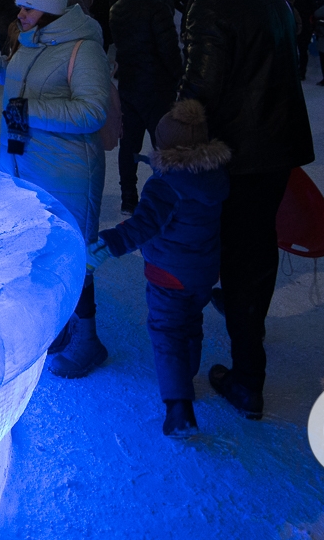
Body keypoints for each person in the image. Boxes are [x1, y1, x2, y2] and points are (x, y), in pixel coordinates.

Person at [160, 0, 314, 419]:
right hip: (276, 145)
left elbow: (199, 86)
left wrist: (176, 139)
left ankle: (248, 376)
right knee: (256, 248)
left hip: (237, 151)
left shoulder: (210, 4)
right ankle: (249, 330)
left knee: (234, 252)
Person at [0, 0, 114, 378]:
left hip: (66, 171)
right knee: (39, 248)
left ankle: (88, 340)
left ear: (49, 9)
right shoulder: (33, 39)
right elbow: (21, 74)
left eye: (28, 8)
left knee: (73, 255)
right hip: (23, 161)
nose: (20, 13)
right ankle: (58, 325)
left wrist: (28, 113)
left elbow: (93, 110)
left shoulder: (82, 48)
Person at [96, 99, 230, 437]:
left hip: (168, 273)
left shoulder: (165, 185)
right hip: (203, 272)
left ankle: (178, 407)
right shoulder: (215, 178)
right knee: (191, 321)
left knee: (167, 330)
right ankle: (189, 374)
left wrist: (110, 242)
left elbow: (143, 225)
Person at [108, 0, 183, 214]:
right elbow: (169, 50)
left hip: (129, 84)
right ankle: (168, 194)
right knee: (164, 144)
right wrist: (178, 76)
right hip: (157, 87)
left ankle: (128, 196)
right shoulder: (157, 8)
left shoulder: (117, 9)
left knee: (128, 144)